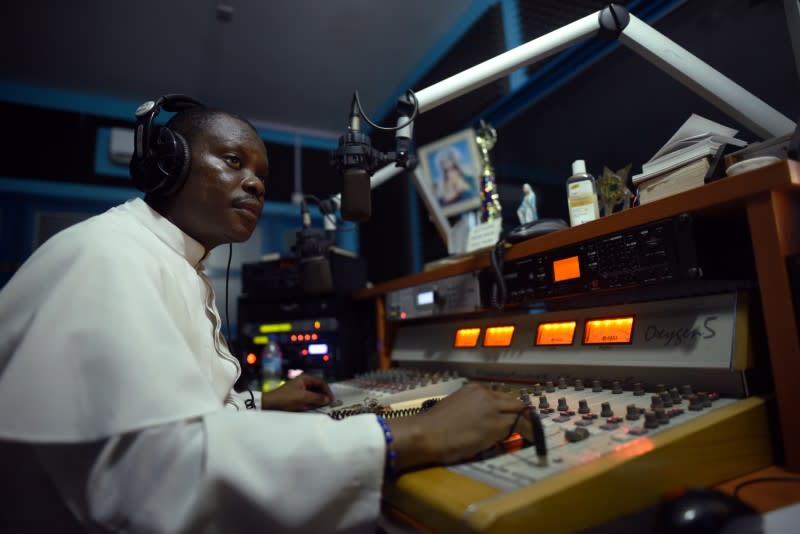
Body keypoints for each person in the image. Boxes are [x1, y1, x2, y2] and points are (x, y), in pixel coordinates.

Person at [0, 97, 531, 533]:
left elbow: (170, 415)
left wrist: (257, 402)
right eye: (233, 161)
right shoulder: (107, 257)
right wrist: (410, 436)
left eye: (261, 174)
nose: (255, 183)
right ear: (170, 164)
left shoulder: (168, 259)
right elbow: (156, 475)